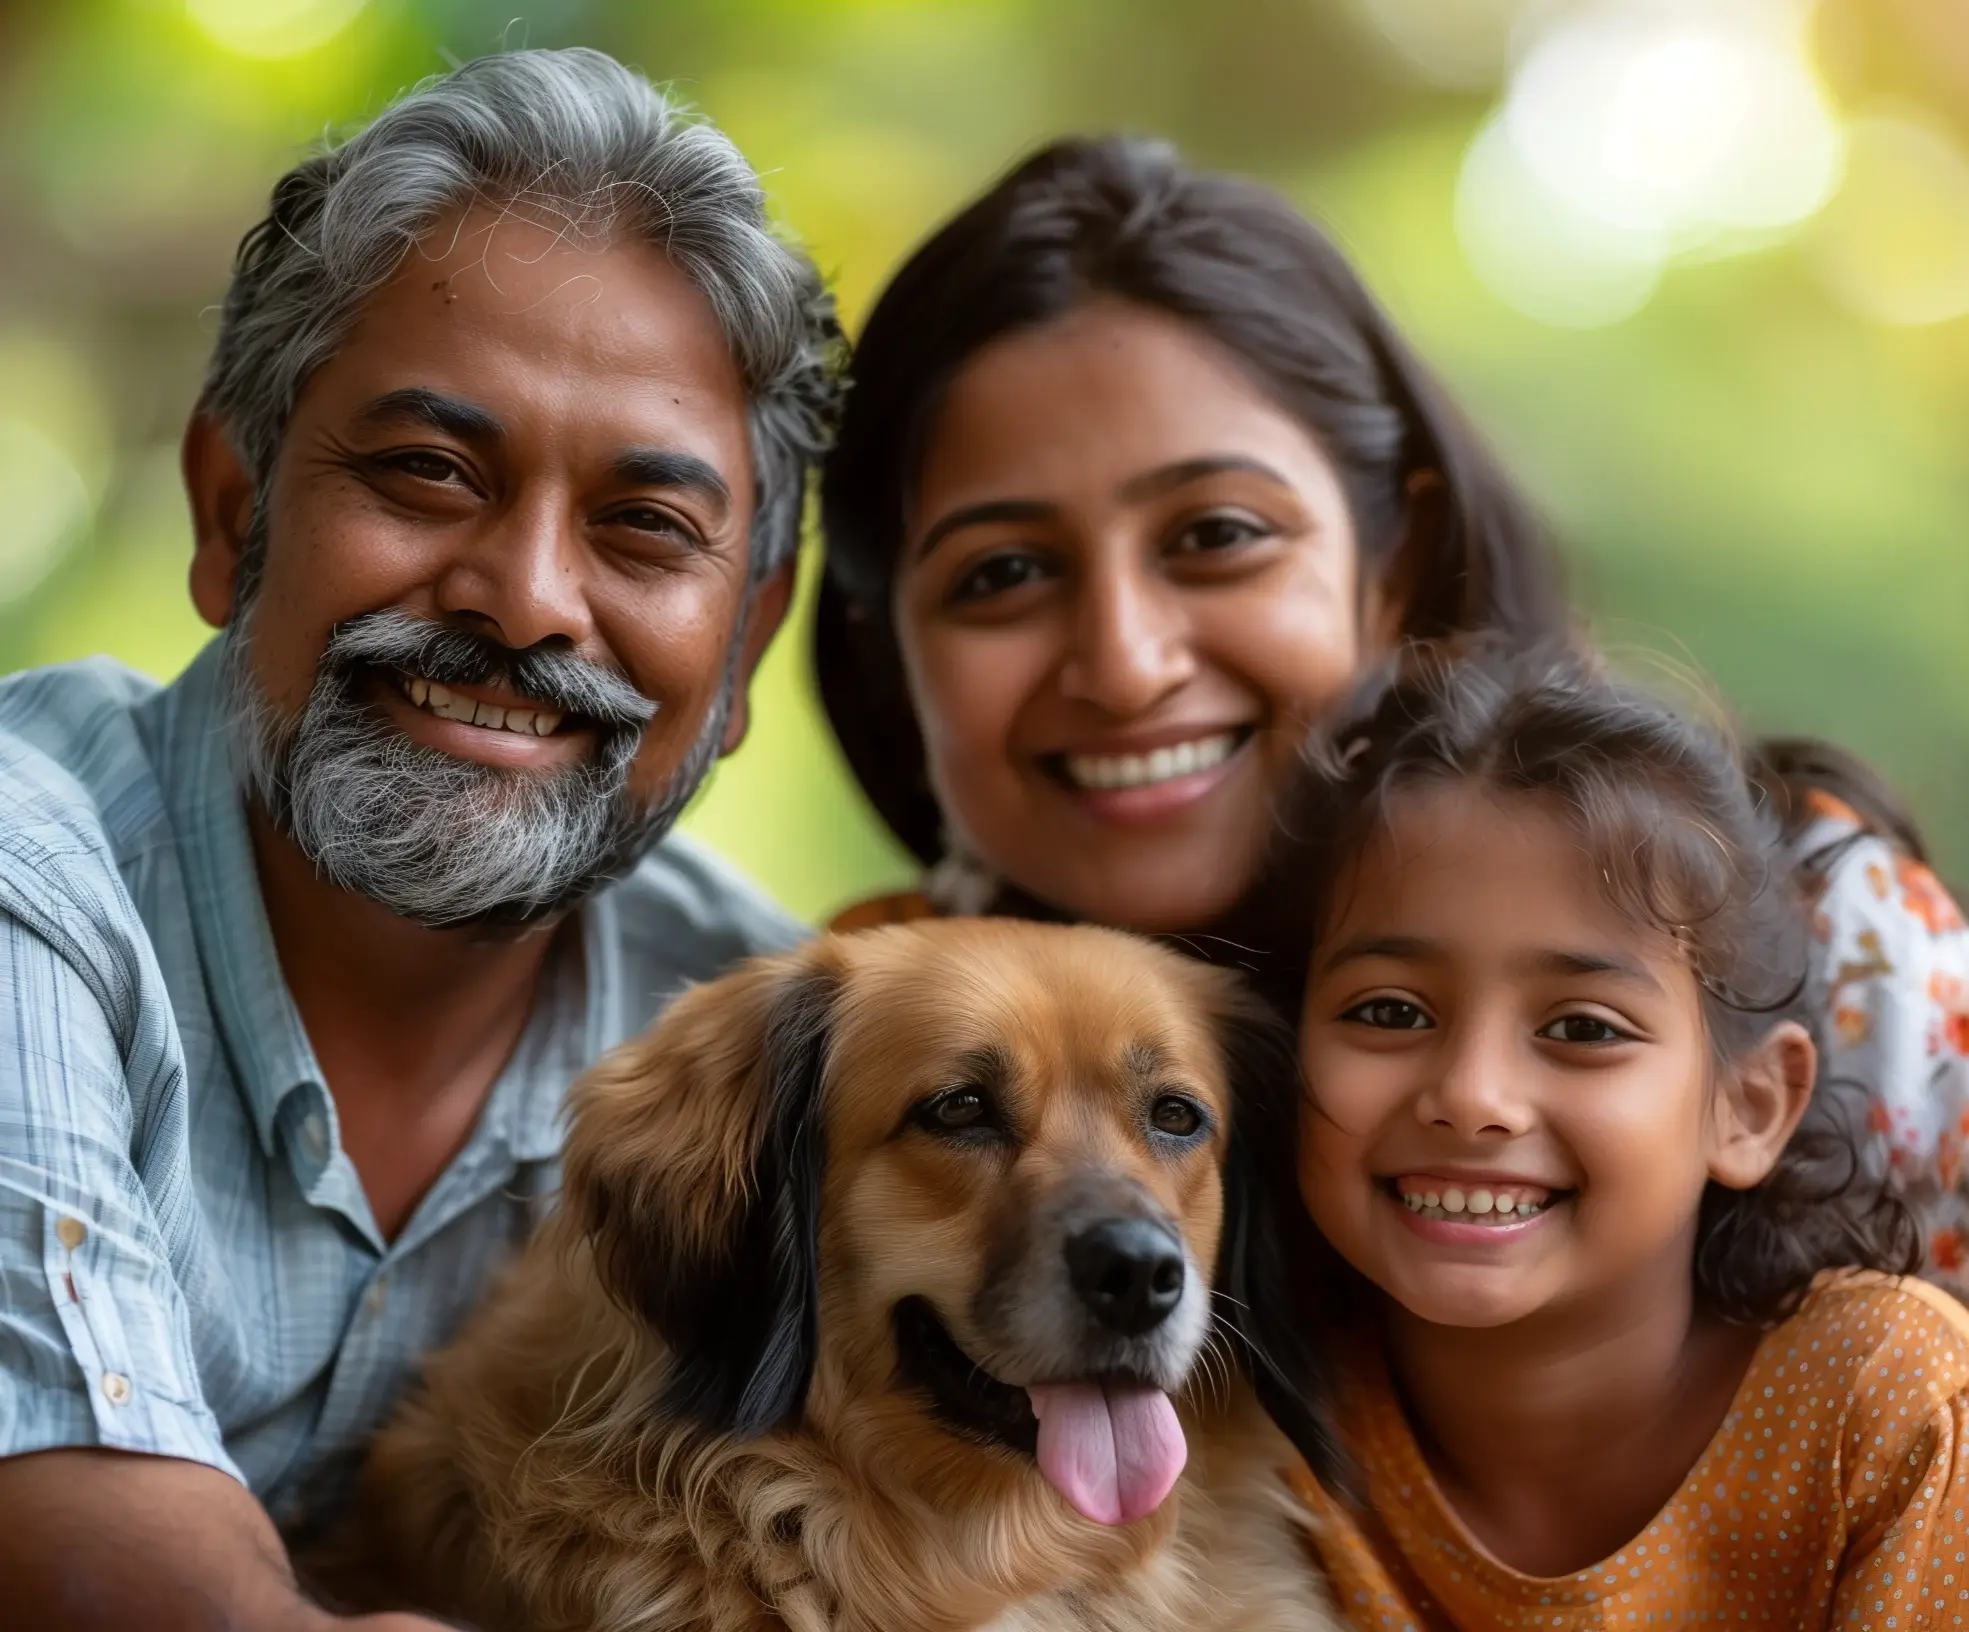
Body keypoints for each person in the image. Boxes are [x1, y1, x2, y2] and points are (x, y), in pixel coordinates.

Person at [814, 133, 1969, 1289]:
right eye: (1002, 574)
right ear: (889, 647)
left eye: (1216, 536)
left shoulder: (1828, 948)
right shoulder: (858, 1057)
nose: (1123, 663)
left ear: (1395, 561)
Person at [0, 48, 841, 1632]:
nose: (526, 599)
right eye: (427, 472)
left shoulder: (753, 1043)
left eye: (645, 528)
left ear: (744, 648)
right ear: (230, 513)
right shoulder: (28, 876)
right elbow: (80, 1555)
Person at [1263, 639, 1969, 1623]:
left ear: (1750, 1105)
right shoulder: (1256, 1424)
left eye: (1582, 1029)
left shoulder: (1883, 1408)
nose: (1472, 1097)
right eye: (1388, 1012)